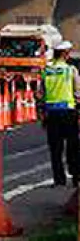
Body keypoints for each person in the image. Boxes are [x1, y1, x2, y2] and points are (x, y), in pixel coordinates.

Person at [39, 40, 80, 187]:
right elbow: (78, 93)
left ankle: (59, 180)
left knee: (55, 149)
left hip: (52, 114)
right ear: (65, 54)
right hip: (69, 113)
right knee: (73, 147)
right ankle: (76, 177)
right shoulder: (71, 70)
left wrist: (42, 115)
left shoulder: (46, 71)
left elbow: (41, 95)